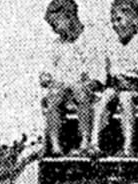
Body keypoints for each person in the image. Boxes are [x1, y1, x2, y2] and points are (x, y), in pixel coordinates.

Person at [90, 0, 138, 156]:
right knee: (104, 99)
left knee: (126, 98)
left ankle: (128, 146)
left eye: (119, 19)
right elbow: (108, 69)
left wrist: (134, 77)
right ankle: (94, 142)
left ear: (135, 21)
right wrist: (111, 78)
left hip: (137, 86)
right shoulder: (112, 44)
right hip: (117, 86)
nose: (115, 24)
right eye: (113, 21)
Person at [41, 0, 105, 155]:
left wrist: (91, 82)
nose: (54, 30)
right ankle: (55, 146)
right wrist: (46, 77)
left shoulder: (91, 40)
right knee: (54, 96)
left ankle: (85, 141)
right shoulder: (57, 45)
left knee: (80, 92)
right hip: (63, 89)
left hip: (87, 90)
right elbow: (48, 70)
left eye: (55, 24)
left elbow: (99, 72)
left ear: (68, 17)